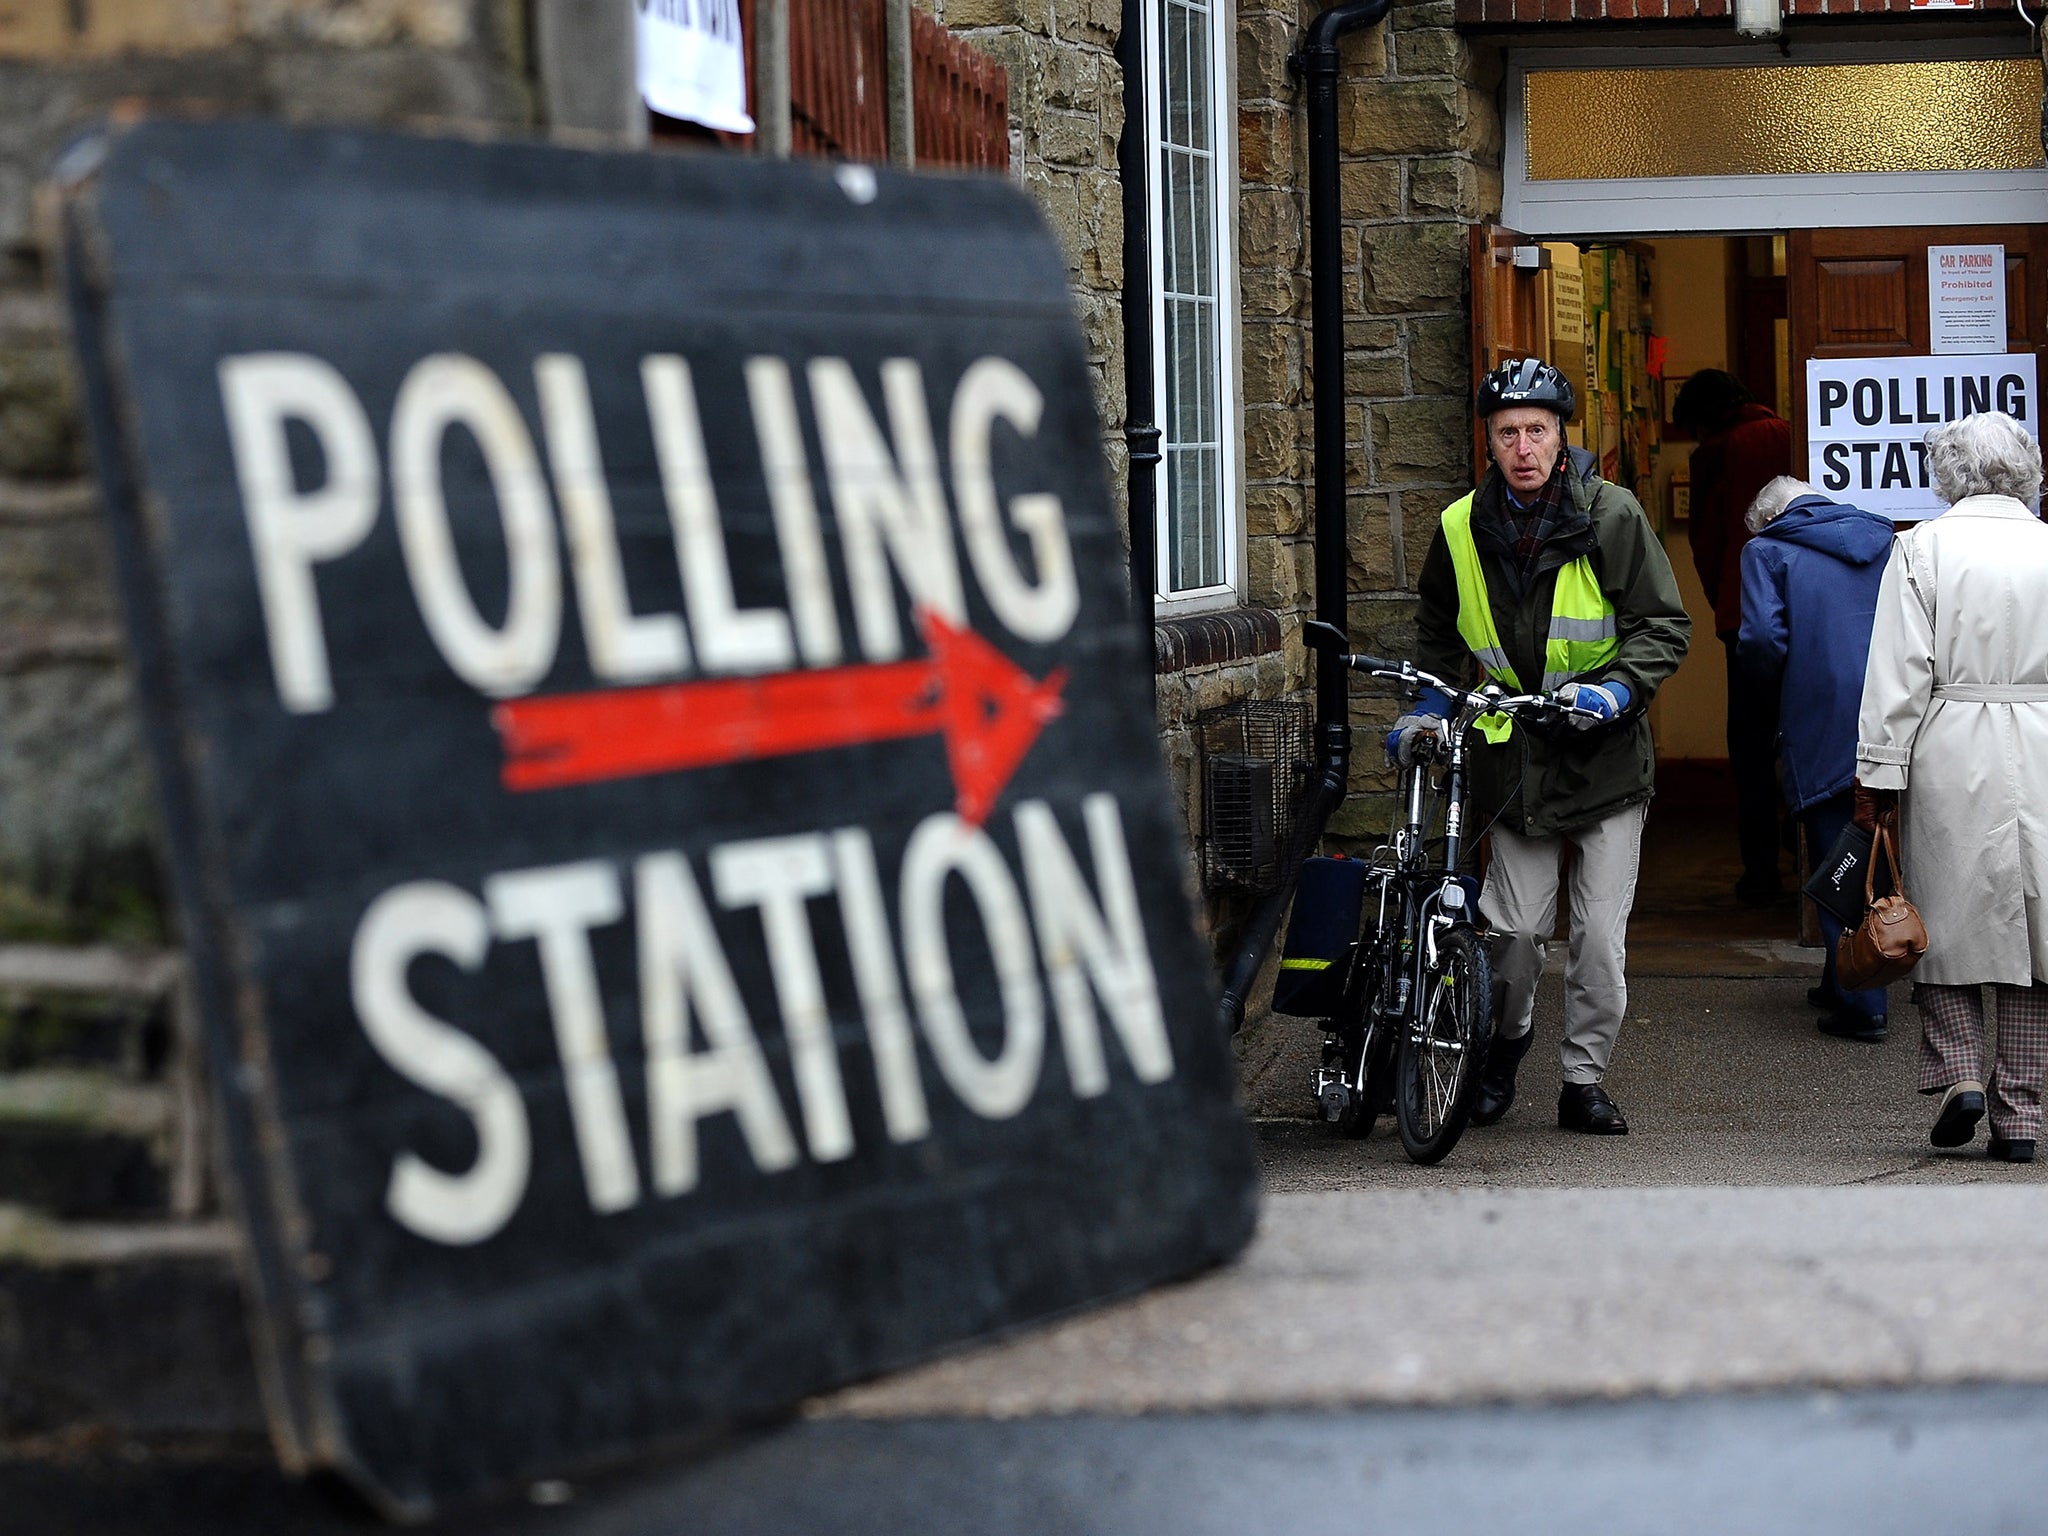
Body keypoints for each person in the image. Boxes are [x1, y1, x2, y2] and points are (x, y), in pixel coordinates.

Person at [1396, 357, 1691, 1135]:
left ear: (1562, 438)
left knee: (1598, 940)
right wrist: (1427, 706)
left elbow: (1663, 625)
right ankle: (1505, 1043)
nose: (1523, 447)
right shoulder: (1460, 527)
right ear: (1488, 444)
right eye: (1507, 433)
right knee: (1516, 935)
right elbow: (1436, 632)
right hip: (1514, 763)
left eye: (1537, 430)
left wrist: (1617, 690)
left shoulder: (1613, 515)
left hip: (1604, 758)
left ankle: (1583, 1081)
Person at [1857, 411, 2048, 1163]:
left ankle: (1961, 1072)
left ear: (1950, 473)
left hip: (1950, 742)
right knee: (2036, 937)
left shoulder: (1922, 548)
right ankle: (2022, 1112)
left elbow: (1897, 671)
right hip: (2043, 741)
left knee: (1934, 918)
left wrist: (1878, 771)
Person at [1735, 475, 1895, 1043]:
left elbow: (1758, 640)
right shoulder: (1882, 538)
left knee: (1838, 855)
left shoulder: (1767, 549)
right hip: (1892, 709)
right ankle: (1840, 975)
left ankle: (1862, 1001)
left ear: (1770, 516)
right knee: (1874, 846)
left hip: (1819, 713)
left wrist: (1765, 697)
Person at [1674, 369, 1793, 905]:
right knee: (1807, 736)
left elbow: (1706, 538)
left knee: (1750, 745)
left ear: (1704, 418)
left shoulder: (1715, 452)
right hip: (1804, 609)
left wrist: (1721, 596)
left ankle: (1762, 871)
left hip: (1742, 612)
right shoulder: (1794, 432)